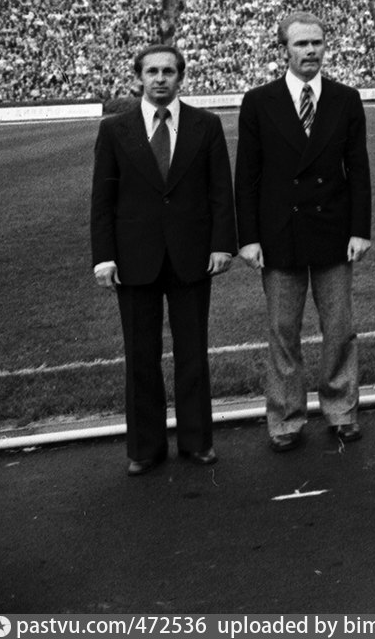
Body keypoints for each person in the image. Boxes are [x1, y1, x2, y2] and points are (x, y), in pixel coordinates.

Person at [90, 44, 236, 475]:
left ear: (181, 77)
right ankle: (144, 448)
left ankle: (197, 440)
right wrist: (104, 258)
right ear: (139, 77)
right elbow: (103, 199)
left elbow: (219, 193)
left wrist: (221, 244)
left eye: (168, 71)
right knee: (140, 355)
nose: (159, 79)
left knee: (193, 354)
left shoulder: (205, 125)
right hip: (135, 259)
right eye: (151, 71)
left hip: (192, 257)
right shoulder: (116, 129)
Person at [236, 12, 373, 453]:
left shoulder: (345, 99)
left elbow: (359, 170)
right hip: (280, 234)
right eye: (301, 44)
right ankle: (286, 417)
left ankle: (341, 410)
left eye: (316, 43)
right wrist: (249, 237)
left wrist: (359, 229)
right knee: (282, 330)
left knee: (339, 328)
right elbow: (248, 176)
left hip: (333, 231)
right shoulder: (259, 102)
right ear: (285, 50)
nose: (310, 51)